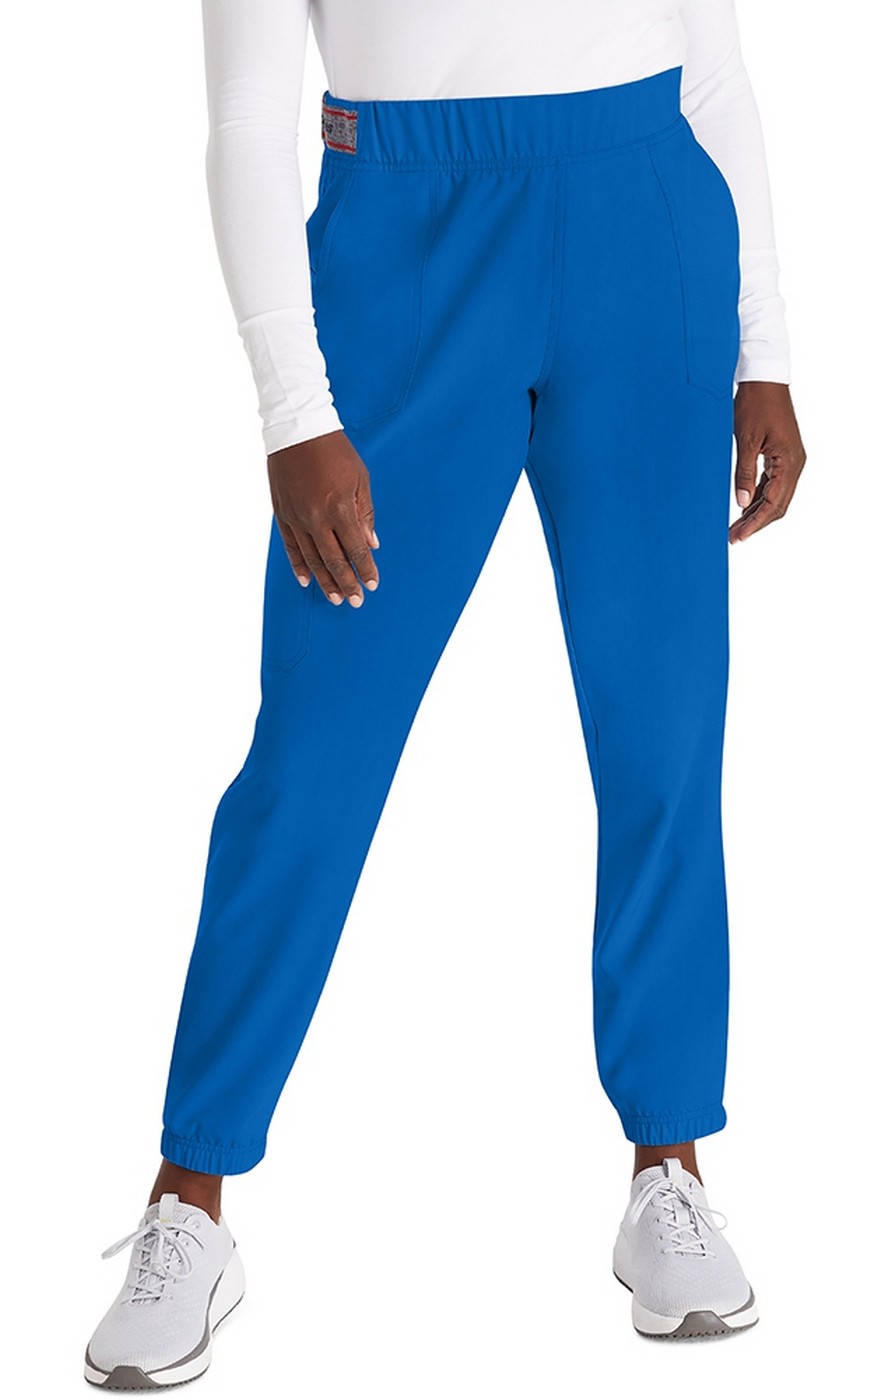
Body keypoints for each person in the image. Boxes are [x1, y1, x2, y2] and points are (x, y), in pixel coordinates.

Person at [84, 0, 806, 1385]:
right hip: (405, 251)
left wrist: (763, 341)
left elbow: (710, 69)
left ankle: (669, 1168)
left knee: (662, 737)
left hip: (645, 232)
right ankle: (193, 1195)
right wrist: (295, 410)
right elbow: (245, 120)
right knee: (314, 758)